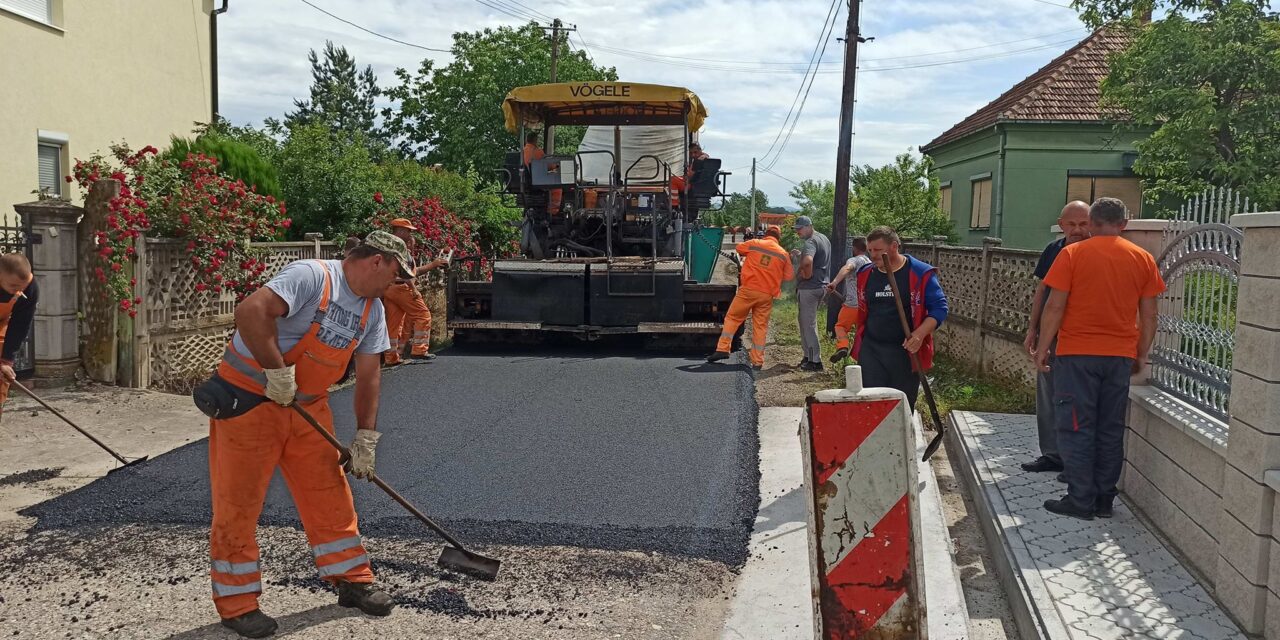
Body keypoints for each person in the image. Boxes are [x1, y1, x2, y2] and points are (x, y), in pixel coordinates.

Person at [205, 231, 411, 638]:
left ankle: (352, 580)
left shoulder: (372, 311)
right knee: (239, 501)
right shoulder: (313, 277)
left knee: (329, 492)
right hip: (251, 402)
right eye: (395, 275)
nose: (396, 284)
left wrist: (365, 438)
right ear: (377, 261)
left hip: (307, 407)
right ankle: (238, 604)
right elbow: (250, 312)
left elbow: (369, 377)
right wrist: (276, 371)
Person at [1036, 198, 1164, 521]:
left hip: (1076, 355)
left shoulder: (1072, 254)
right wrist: (1141, 353)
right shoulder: (1143, 259)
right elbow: (1149, 316)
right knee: (1110, 428)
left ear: (1091, 224)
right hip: (1119, 356)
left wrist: (1042, 348)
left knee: (1077, 426)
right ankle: (1104, 500)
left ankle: (1080, 499)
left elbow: (1054, 306)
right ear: (1123, 223)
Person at [1020, 202, 1091, 474]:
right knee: (1048, 394)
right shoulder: (1054, 250)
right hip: (1052, 335)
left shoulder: (1093, 253)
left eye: (1083, 224)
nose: (1077, 230)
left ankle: (1074, 461)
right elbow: (1043, 292)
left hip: (1082, 337)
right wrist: (1033, 330)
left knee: (1075, 398)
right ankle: (1051, 454)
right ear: (1061, 224)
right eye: (1072, 224)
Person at [850, 226, 948, 411]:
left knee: (900, 408)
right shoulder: (865, 273)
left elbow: (939, 308)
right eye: (870, 250)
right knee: (871, 405)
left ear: (894, 246)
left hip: (904, 353)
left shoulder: (919, 273)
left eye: (878, 250)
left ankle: (900, 440)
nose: (873, 255)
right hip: (872, 350)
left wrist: (919, 334)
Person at [706, 225, 794, 368]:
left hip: (749, 290)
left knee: (733, 318)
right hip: (766, 295)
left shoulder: (755, 244)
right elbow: (789, 276)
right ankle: (757, 361)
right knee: (760, 327)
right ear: (779, 237)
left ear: (765, 234)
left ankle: (723, 349)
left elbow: (740, 248)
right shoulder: (783, 254)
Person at [382, 218, 448, 366]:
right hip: (402, 288)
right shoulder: (400, 248)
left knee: (394, 324)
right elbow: (405, 274)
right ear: (400, 231)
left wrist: (433, 264)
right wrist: (413, 289)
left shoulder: (388, 247)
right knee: (423, 315)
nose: (410, 234)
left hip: (389, 288)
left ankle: (391, 357)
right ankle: (419, 351)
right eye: (408, 231)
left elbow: (413, 271)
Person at [0, 254, 36, 420]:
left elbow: (20, 325)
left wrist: (5, 361)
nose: (19, 291)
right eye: (13, 286)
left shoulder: (30, 287)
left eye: (22, 286)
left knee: (2, 377)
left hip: (2, 324)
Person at [793, 215, 831, 372]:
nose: (798, 232)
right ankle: (808, 356)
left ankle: (815, 361)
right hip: (822, 285)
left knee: (808, 324)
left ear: (809, 226)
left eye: (800, 229)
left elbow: (808, 262)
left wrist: (805, 275)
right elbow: (817, 259)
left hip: (810, 287)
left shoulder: (810, 242)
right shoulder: (823, 238)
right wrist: (799, 256)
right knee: (805, 322)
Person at [825, 237, 871, 363]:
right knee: (862, 332)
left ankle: (843, 346)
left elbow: (847, 268)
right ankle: (862, 359)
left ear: (854, 248)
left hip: (851, 305)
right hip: (866, 306)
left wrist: (834, 282)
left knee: (840, 326)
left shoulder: (853, 260)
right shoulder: (870, 263)